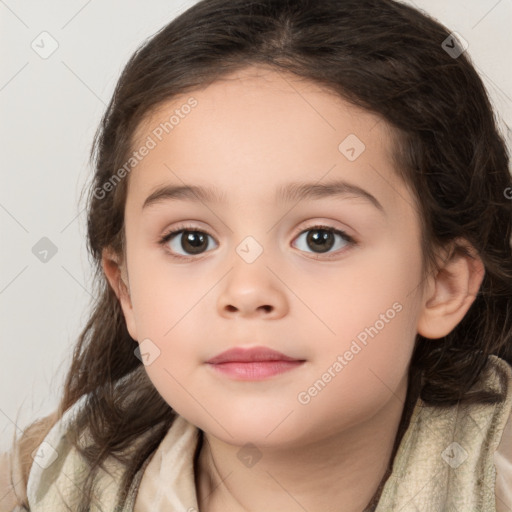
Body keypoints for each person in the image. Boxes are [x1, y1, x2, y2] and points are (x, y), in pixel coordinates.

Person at [1, 0, 511, 510]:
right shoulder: (47, 482)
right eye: (191, 240)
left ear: (442, 285)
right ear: (126, 287)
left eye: (321, 238)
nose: (247, 293)